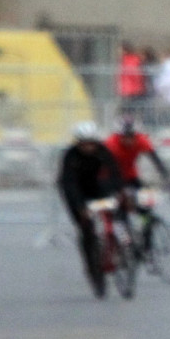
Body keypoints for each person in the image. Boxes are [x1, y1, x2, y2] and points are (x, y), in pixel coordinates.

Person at [55, 121, 123, 295]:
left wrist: (117, 192)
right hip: (76, 192)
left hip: (96, 188)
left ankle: (116, 245)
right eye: (84, 144)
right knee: (87, 229)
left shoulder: (103, 151)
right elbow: (68, 184)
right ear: (78, 143)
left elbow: (115, 173)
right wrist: (80, 207)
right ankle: (91, 264)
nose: (89, 147)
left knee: (115, 210)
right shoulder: (70, 156)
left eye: (91, 143)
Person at [105, 116, 170, 195]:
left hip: (131, 176)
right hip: (111, 177)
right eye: (125, 136)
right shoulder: (110, 144)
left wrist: (168, 179)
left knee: (145, 200)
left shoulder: (142, 140)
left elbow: (156, 161)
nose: (129, 140)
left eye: (132, 136)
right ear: (119, 136)